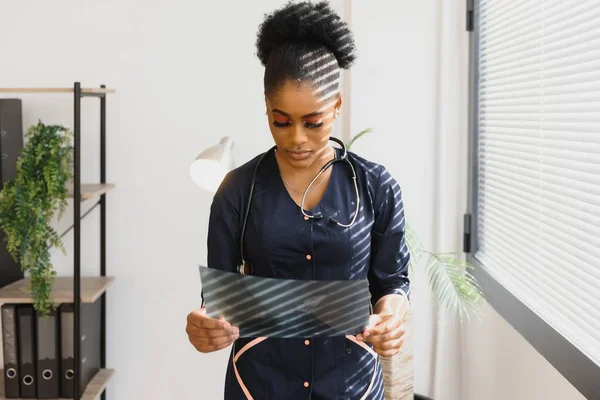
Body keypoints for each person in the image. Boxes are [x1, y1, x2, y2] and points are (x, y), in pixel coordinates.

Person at [186, 1, 410, 399]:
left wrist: (390, 318)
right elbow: (218, 302)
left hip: (352, 385)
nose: (297, 138)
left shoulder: (376, 186)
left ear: (336, 106)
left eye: (314, 122)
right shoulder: (237, 191)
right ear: (267, 110)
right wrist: (205, 325)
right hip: (259, 384)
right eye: (281, 121)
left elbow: (391, 282)